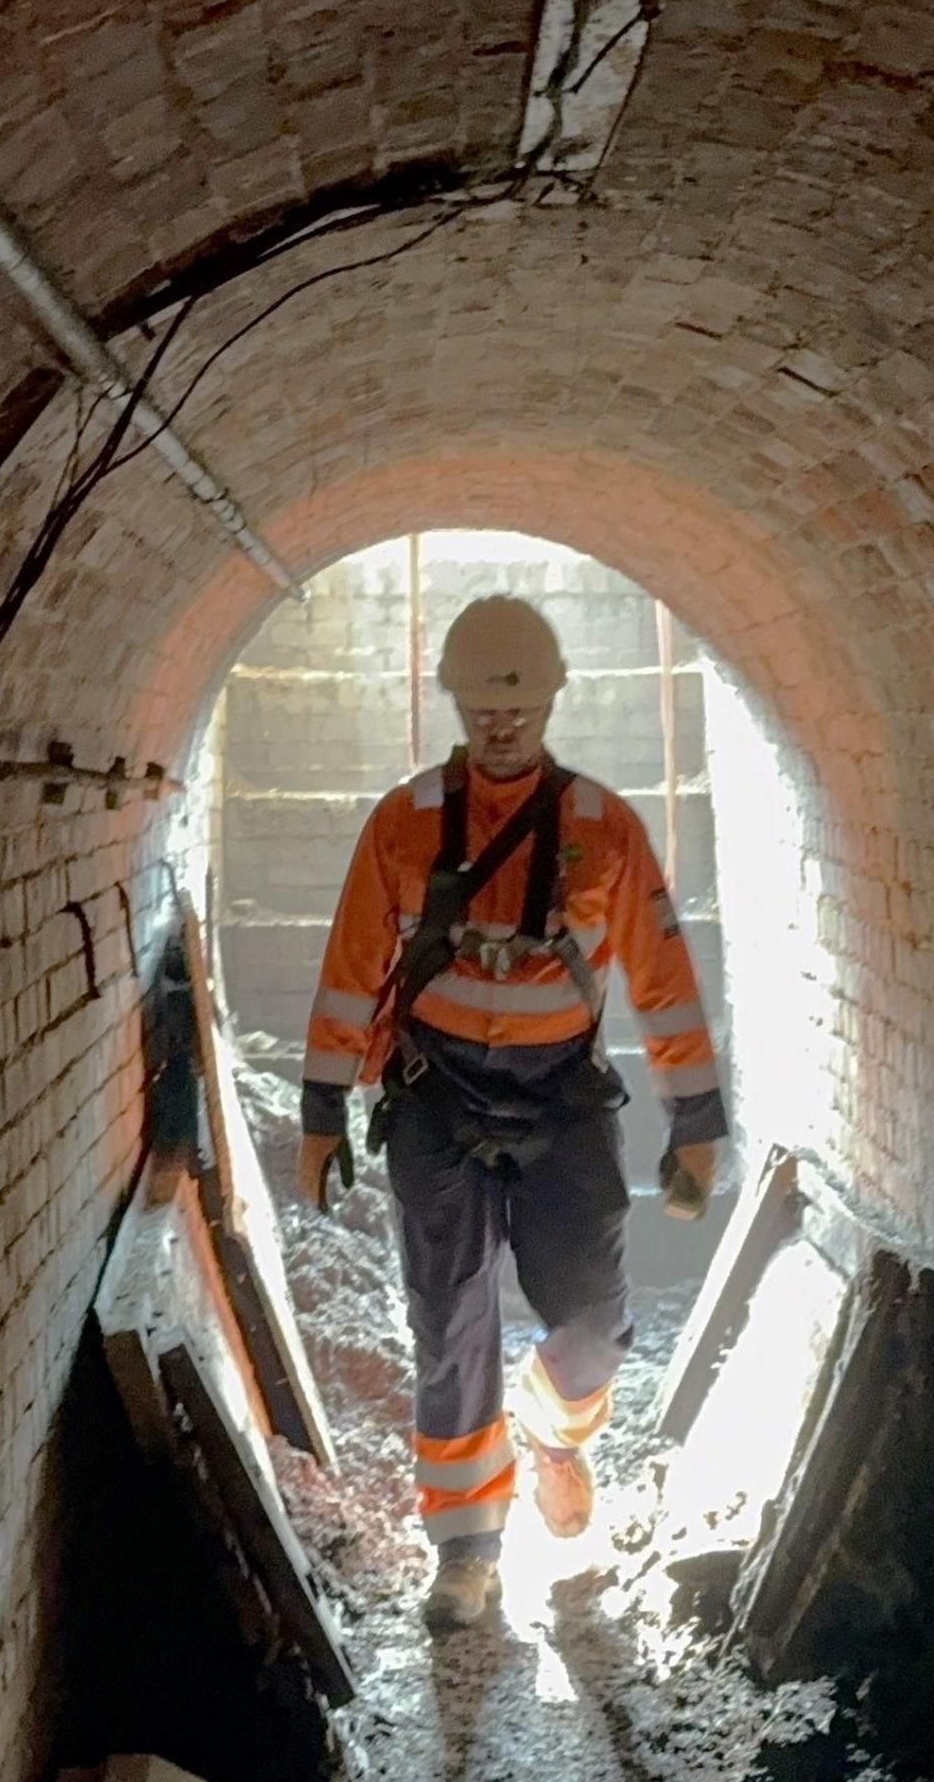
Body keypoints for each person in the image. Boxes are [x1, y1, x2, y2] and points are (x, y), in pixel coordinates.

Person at [293, 594, 723, 1630]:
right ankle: (466, 1551)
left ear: (548, 703)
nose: (500, 722)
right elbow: (354, 968)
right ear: (455, 703)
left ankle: (557, 1438)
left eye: (519, 702)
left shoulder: (602, 829)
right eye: (483, 702)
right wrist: (322, 1111)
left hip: (561, 1101)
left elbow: (663, 977)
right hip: (438, 1101)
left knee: (587, 1324)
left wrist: (696, 1120)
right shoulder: (403, 825)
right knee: (450, 1324)